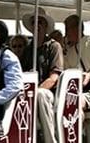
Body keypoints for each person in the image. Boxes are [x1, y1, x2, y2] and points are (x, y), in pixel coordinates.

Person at [21, 8, 63, 143]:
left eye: (41, 22)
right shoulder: (27, 49)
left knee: (40, 95)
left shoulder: (54, 46)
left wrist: (35, 90)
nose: (37, 25)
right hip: (28, 91)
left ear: (45, 26)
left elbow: (54, 77)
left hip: (50, 93)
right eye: (34, 22)